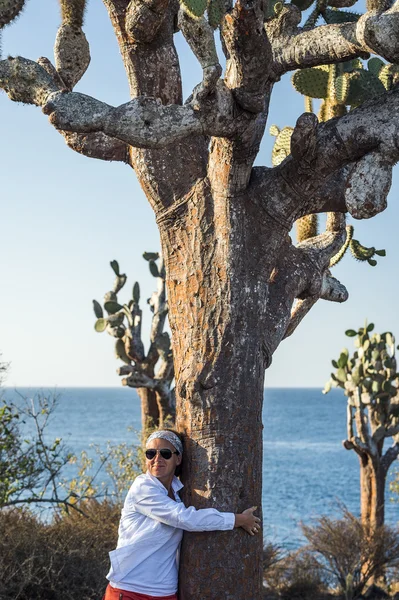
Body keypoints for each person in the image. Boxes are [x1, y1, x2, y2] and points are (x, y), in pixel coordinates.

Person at [103, 429, 261, 600]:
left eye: (165, 453)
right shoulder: (142, 488)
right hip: (129, 589)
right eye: (150, 453)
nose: (157, 459)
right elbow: (185, 518)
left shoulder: (178, 494)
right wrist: (238, 519)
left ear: (178, 458)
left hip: (165, 592)